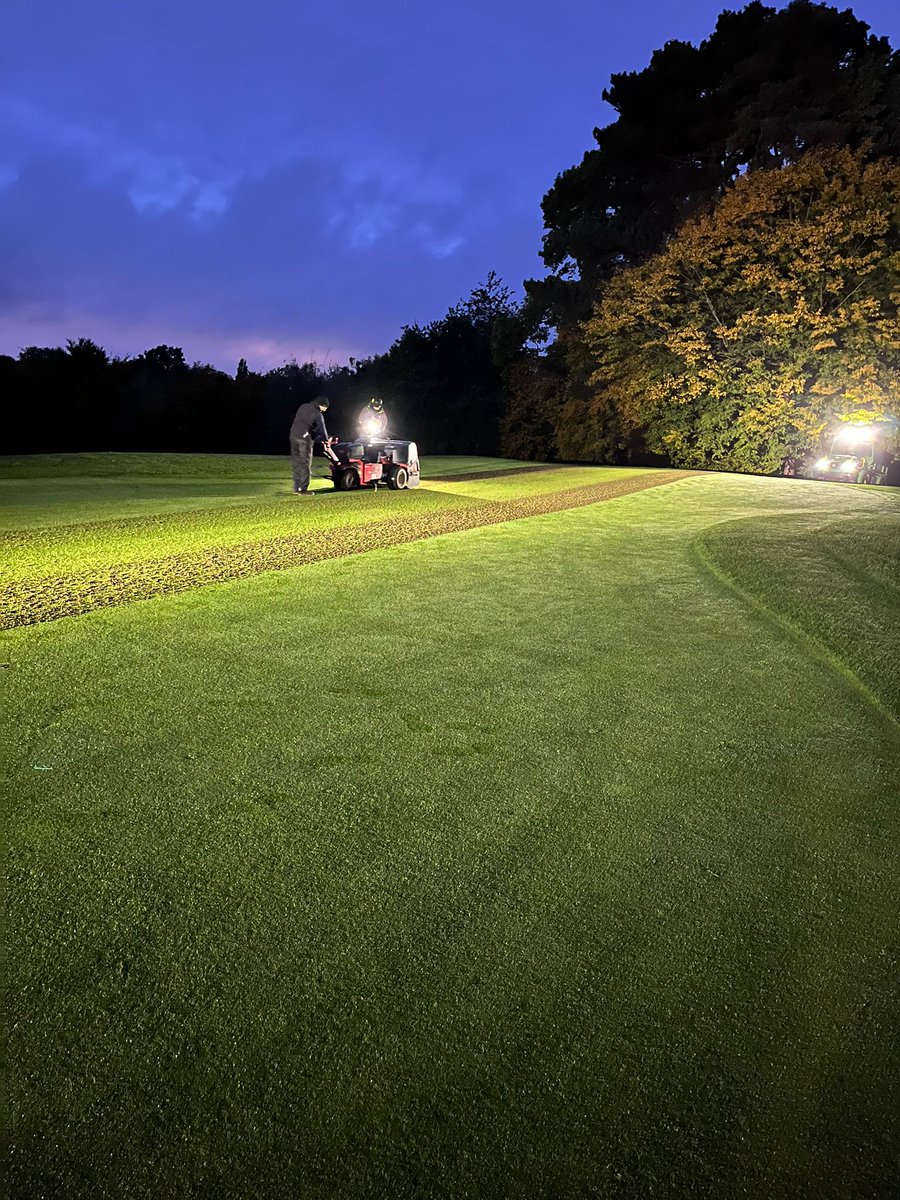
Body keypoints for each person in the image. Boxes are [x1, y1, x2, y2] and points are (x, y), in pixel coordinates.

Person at [289, 395, 330, 494]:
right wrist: (326, 440)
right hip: (305, 440)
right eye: (325, 408)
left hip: (293, 436)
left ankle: (296, 488)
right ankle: (303, 489)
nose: (324, 410)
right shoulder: (317, 414)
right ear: (322, 405)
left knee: (297, 463)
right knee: (305, 464)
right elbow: (322, 429)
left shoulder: (303, 407)